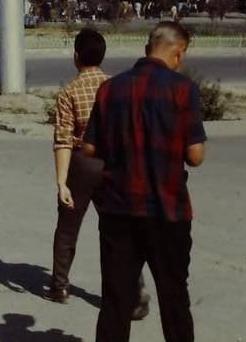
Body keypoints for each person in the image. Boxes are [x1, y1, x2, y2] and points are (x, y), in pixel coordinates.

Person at [83, 21, 206, 342]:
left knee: (116, 300)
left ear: (148, 47)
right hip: (168, 210)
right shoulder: (182, 89)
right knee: (174, 297)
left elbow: (90, 147)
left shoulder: (110, 89)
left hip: (118, 210)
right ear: (179, 53)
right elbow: (195, 156)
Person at [45, 29, 150, 319]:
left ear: (76, 57)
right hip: (114, 165)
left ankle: (59, 286)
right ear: (103, 56)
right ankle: (134, 291)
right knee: (118, 230)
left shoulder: (68, 92)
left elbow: (64, 139)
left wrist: (61, 182)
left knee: (68, 227)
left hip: (82, 163)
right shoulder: (117, 87)